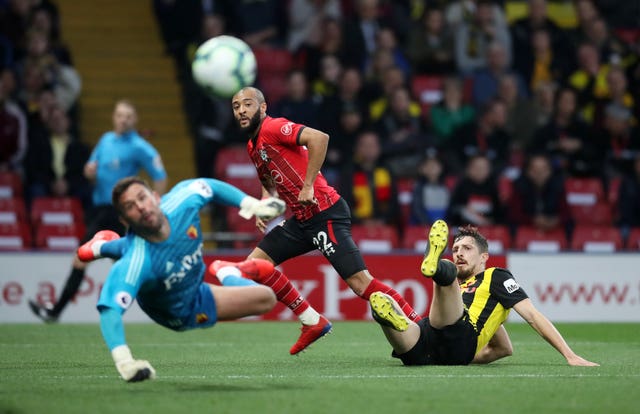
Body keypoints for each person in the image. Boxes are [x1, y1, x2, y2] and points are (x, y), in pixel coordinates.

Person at [226, 86, 421, 355]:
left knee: (361, 284)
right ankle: (311, 320)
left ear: (262, 108)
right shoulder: (253, 145)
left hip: (324, 212)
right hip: (301, 220)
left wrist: (307, 185)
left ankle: (420, 325)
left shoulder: (274, 127)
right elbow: (268, 181)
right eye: (236, 106)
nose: (241, 110)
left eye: (247, 104)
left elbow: (319, 138)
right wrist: (263, 205)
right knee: (255, 265)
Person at [74, 176, 286, 382]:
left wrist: (253, 205)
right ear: (124, 220)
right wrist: (125, 362)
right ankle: (100, 246)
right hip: (175, 311)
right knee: (134, 246)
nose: (140, 207)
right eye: (130, 206)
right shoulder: (135, 262)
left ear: (156, 197)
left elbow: (209, 186)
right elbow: (110, 309)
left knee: (267, 298)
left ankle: (228, 272)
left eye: (142, 197)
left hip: (194, 288)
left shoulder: (182, 201)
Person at [369, 219, 599, 367]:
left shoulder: (496, 277)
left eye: (467, 249)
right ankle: (391, 315)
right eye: (456, 248)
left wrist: (570, 355)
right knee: (381, 302)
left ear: (484, 257)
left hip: (459, 333)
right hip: (428, 343)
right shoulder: (466, 290)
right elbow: (505, 349)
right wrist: (470, 357)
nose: (460, 253)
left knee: (446, 278)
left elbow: (532, 315)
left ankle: (437, 266)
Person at [28, 99, 168, 322]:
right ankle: (166, 306)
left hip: (120, 214)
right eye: (120, 115)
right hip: (100, 210)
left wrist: (155, 205)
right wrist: (89, 172)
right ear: (114, 117)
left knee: (84, 257)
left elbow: (160, 177)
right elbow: (89, 172)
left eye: (128, 116)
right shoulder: (105, 140)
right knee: (126, 265)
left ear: (135, 120)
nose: (123, 119)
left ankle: (55, 311)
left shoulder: (138, 146)